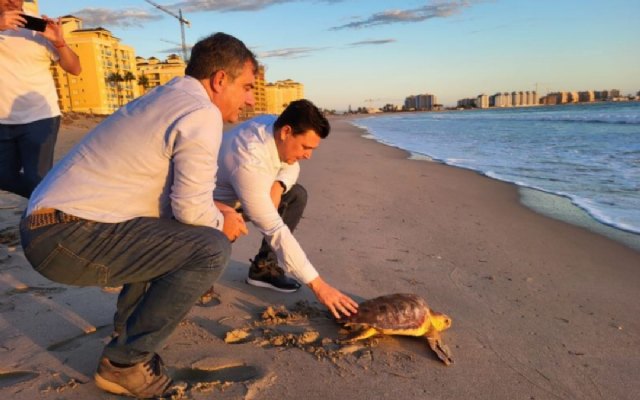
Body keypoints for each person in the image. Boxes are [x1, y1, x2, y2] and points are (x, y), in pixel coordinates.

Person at [19, 32, 254, 398]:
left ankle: (125, 337)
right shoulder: (201, 111)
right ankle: (124, 363)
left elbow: (173, 198)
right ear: (220, 79)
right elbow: (191, 210)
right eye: (247, 86)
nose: (250, 98)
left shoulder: (167, 98)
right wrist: (223, 223)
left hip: (49, 227)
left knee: (179, 233)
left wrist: (218, 208)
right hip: (64, 236)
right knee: (209, 247)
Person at [211, 99, 359, 318]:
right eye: (306, 147)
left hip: (247, 195)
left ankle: (263, 269)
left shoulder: (274, 125)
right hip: (209, 206)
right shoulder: (249, 157)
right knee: (225, 227)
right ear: (287, 132)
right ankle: (197, 271)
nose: (308, 155)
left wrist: (278, 186)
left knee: (295, 194)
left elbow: (292, 165)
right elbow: (275, 231)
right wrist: (319, 286)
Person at [0, 0, 81, 198]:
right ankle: (53, 199)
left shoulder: (38, 27)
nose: (11, 1)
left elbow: (75, 68)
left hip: (40, 117)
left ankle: (44, 209)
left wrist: (59, 43)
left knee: (36, 178)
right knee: (3, 176)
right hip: (2, 121)